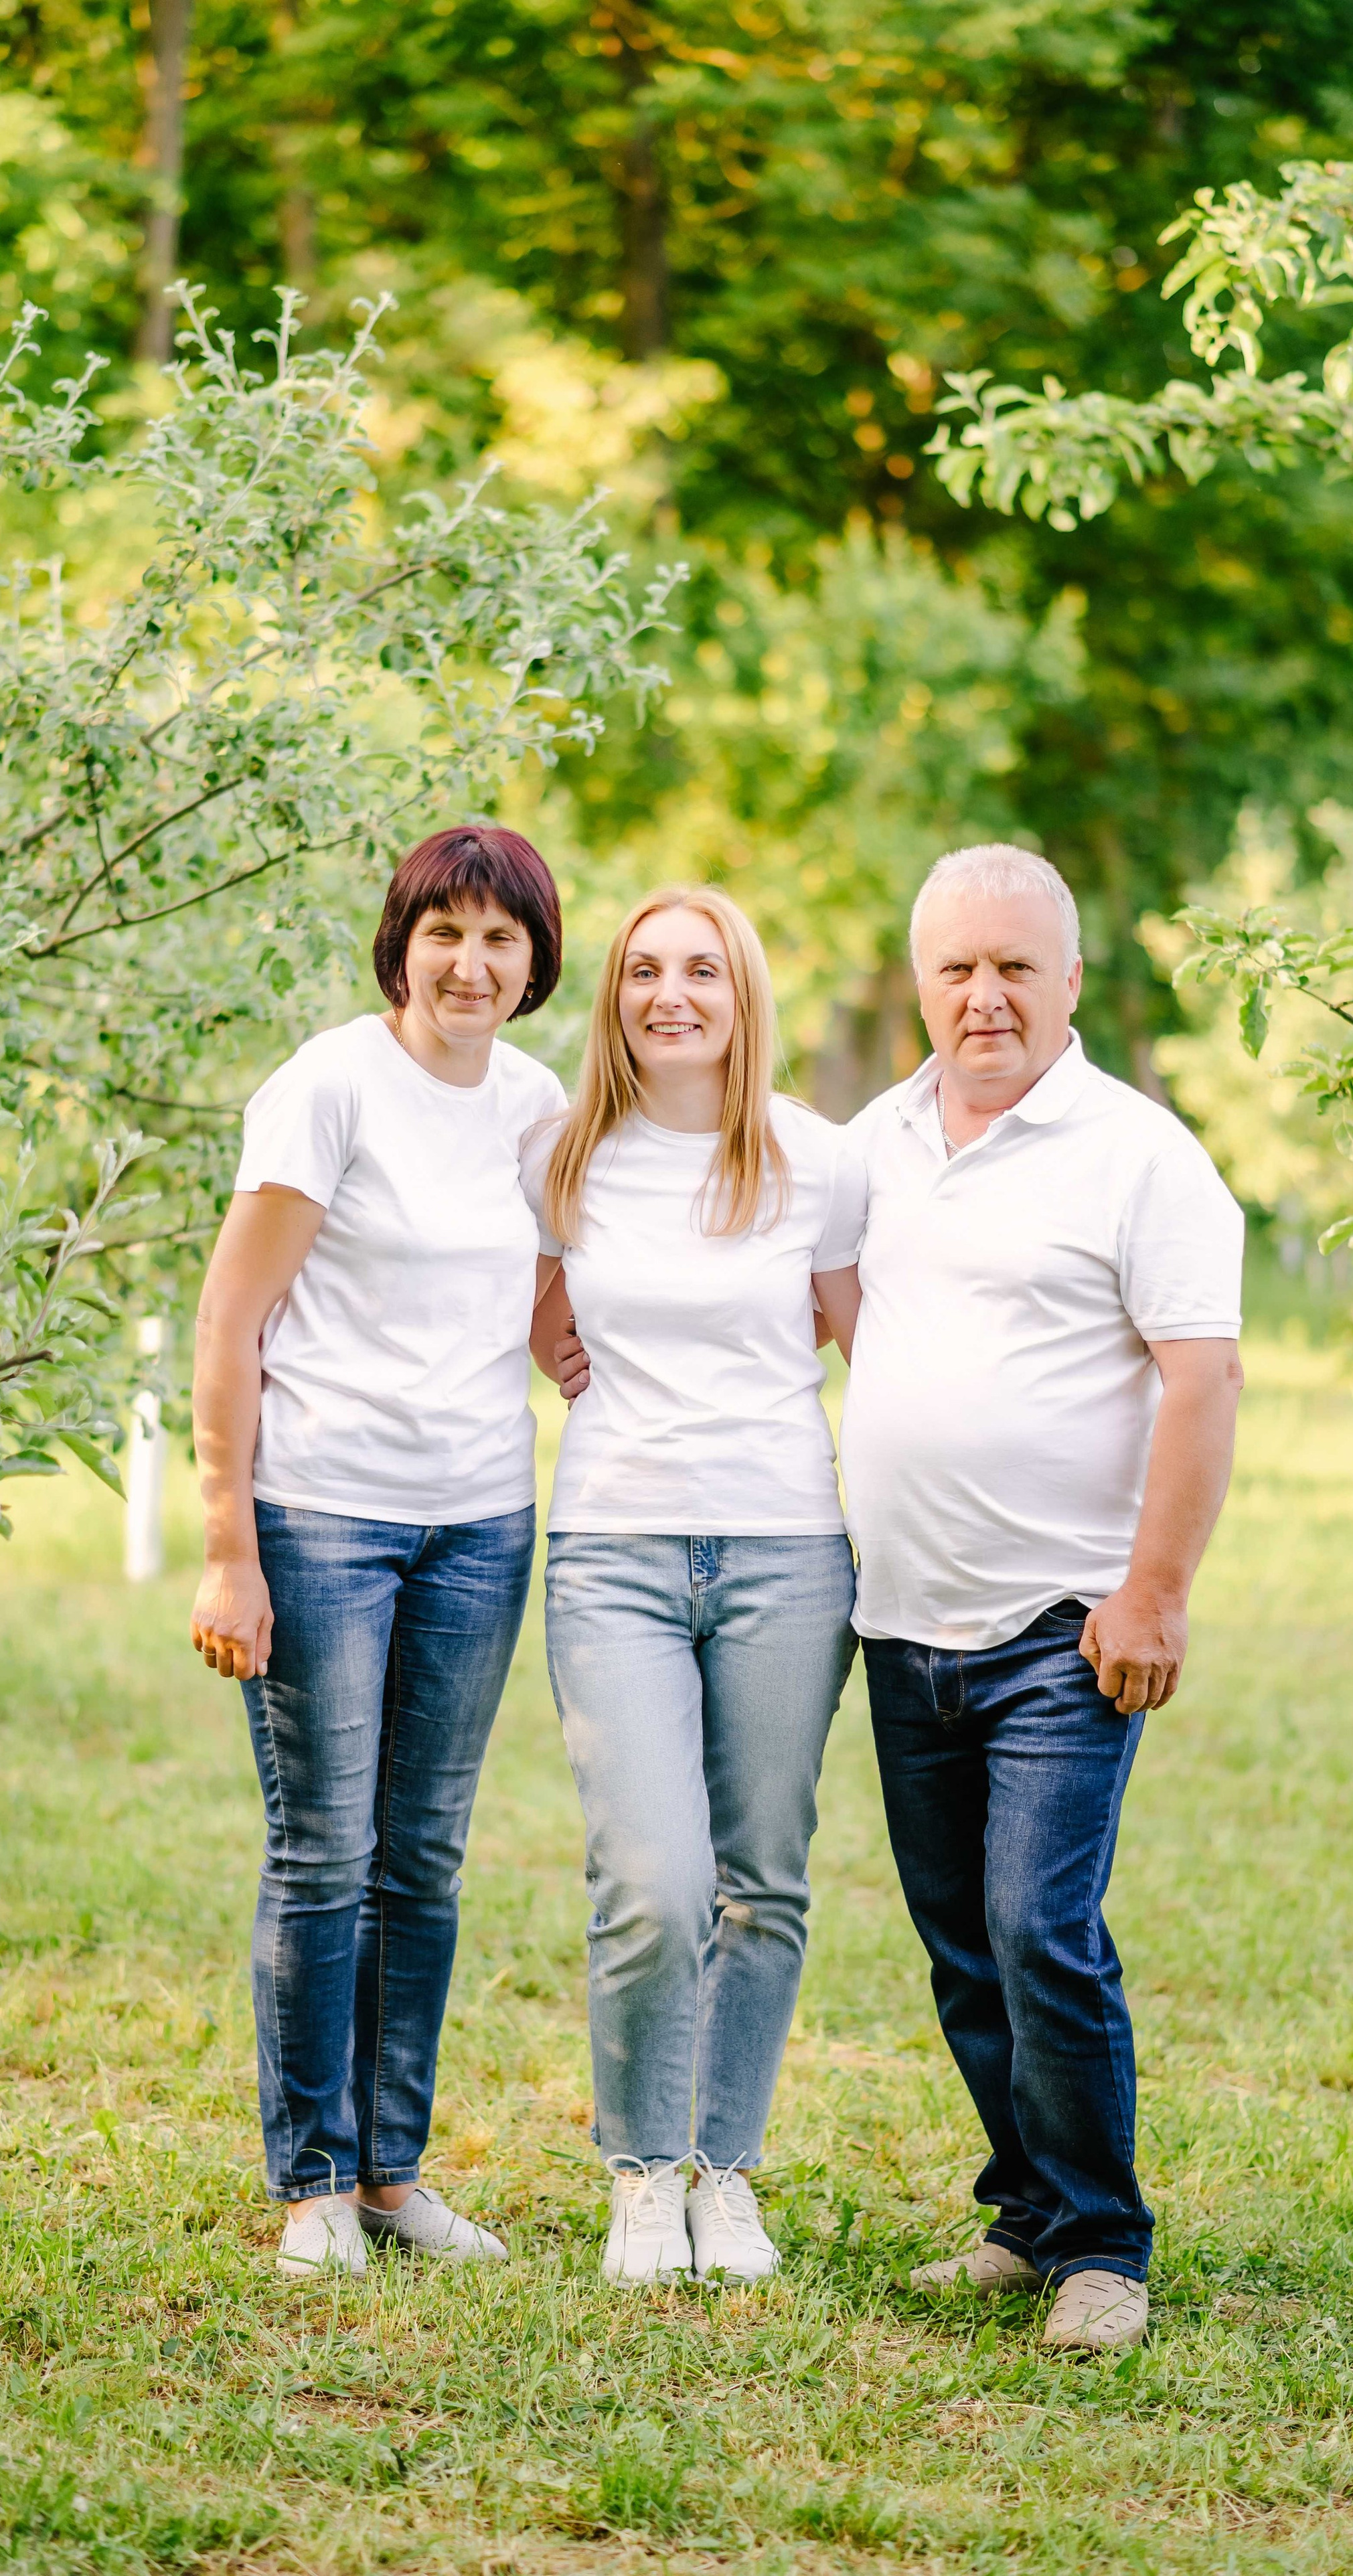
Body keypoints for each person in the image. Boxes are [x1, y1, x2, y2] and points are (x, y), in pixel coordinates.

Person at [833, 843, 1244, 2355]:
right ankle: (1022, 2214)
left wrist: (1153, 1593)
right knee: (960, 1942)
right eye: (956, 967)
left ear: (1069, 980)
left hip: (1062, 1631)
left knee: (1036, 1925)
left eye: (1015, 966)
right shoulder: (873, 1139)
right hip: (901, 1624)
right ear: (919, 982)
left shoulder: (1140, 1154)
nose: (984, 995)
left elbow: (1199, 1381)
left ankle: (1101, 2248)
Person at [189, 825, 566, 2279]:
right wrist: (230, 1546)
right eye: (444, 932)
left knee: (422, 1857)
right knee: (323, 1848)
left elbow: (535, 1298)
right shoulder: (329, 1086)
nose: (469, 964)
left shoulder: (534, 1107)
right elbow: (229, 1322)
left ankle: (395, 2174)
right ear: (400, 942)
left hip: (477, 1521)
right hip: (321, 1515)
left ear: (534, 960)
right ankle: (312, 2183)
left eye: (499, 938)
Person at [526, 886, 864, 2285]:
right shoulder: (561, 1157)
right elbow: (540, 1317)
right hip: (612, 1547)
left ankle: (723, 2171)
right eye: (644, 969)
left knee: (761, 1881)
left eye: (702, 971)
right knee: (654, 1880)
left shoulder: (817, 1160)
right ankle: (638, 2169)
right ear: (614, 996)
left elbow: (872, 1346)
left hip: (786, 1546)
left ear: (743, 995)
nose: (672, 994)